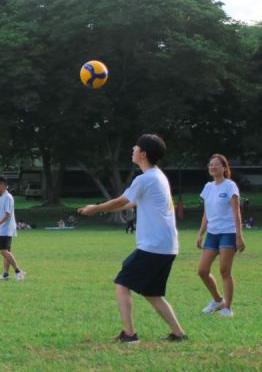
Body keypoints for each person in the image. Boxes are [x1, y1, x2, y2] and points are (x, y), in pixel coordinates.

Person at [78, 134, 186, 344]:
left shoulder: (145, 178)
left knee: (122, 282)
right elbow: (132, 203)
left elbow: (123, 200)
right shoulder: (158, 176)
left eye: (135, 148)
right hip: (167, 246)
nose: (132, 150)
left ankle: (129, 334)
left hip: (153, 246)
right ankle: (178, 333)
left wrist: (96, 208)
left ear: (143, 154)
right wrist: (102, 208)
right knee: (152, 292)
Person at [196, 154, 246, 318]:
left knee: (225, 271)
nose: (213, 167)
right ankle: (218, 301)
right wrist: (200, 233)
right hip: (212, 233)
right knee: (202, 270)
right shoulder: (208, 187)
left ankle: (227, 308)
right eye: (210, 164)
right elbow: (206, 213)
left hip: (228, 233)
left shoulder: (230, 186)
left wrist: (239, 236)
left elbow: (236, 212)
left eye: (216, 164)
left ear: (224, 168)